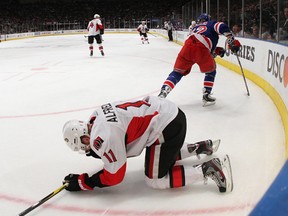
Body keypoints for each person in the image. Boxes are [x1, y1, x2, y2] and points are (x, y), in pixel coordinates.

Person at [62, 95, 233, 192]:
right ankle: (198, 147)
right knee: (160, 155)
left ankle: (206, 169)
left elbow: (115, 176)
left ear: (85, 138)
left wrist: (84, 182)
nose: (87, 149)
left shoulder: (103, 137)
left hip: (166, 126)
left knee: (155, 180)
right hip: (169, 113)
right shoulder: (95, 115)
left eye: (84, 146)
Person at [158, 13, 241, 106]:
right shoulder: (211, 24)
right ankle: (206, 94)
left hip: (187, 47)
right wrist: (231, 38)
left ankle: (163, 92)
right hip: (201, 48)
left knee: (177, 72)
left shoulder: (195, 28)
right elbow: (221, 26)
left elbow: (204, 44)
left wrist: (217, 50)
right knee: (211, 71)